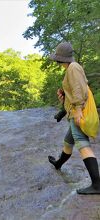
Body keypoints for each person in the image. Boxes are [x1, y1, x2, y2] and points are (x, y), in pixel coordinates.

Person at [48, 42, 100, 194]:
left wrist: (78, 109)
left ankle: (97, 185)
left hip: (79, 112)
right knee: (68, 141)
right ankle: (58, 163)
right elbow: (75, 89)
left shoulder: (73, 68)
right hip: (74, 112)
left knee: (83, 144)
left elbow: (79, 90)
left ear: (60, 58)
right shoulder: (71, 68)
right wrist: (64, 98)